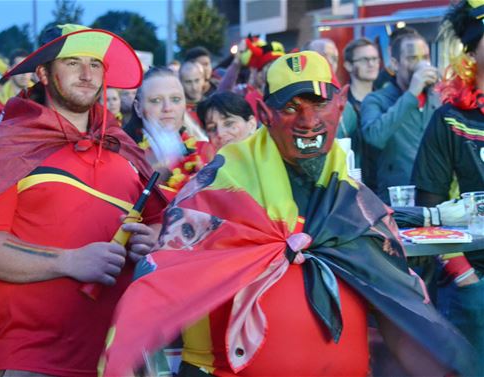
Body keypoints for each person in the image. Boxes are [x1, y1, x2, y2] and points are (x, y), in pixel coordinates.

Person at [101, 51, 476, 377]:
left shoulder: (360, 208)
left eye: (319, 104)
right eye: (291, 107)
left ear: (340, 106)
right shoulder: (216, 189)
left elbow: (400, 312)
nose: (308, 120)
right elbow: (165, 280)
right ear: (265, 114)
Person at [0, 24, 168, 377]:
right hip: (35, 359)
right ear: (43, 72)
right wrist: (69, 261)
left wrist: (152, 239)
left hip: (119, 356)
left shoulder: (123, 148)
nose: (87, 75)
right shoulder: (9, 147)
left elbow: (159, 226)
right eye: (72, 62)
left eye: (95, 64)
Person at [411, 0, 484, 372]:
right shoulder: (450, 119)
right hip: (476, 285)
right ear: (472, 49)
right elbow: (428, 208)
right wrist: (465, 277)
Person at [361, 32, 440, 204]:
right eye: (412, 58)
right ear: (395, 64)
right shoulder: (376, 100)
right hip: (396, 203)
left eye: (425, 57)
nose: (421, 64)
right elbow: (374, 137)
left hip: (436, 200)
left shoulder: (438, 98)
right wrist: (412, 93)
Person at [124, 67, 213, 191]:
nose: (167, 108)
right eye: (156, 100)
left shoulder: (204, 151)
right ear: (138, 108)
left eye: (175, 99)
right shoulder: (124, 156)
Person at [338, 37, 381, 191]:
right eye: (364, 59)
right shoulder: (340, 104)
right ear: (348, 65)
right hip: (353, 185)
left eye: (375, 59)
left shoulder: (386, 101)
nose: (371, 64)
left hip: (382, 183)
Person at [0, 49, 33, 127]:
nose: (24, 73)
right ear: (10, 69)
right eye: (20, 67)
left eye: (28, 67)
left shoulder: (43, 98)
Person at [179, 60, 206, 125]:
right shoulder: (176, 110)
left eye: (197, 80)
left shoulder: (212, 105)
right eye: (188, 82)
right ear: (180, 82)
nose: (194, 87)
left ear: (203, 80)